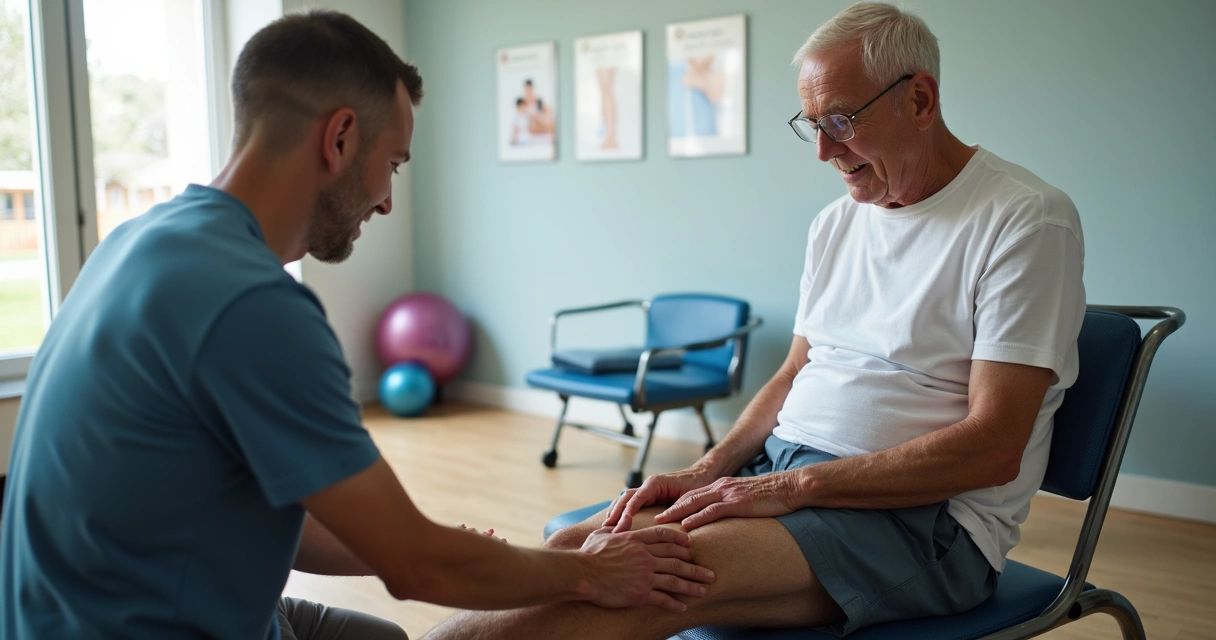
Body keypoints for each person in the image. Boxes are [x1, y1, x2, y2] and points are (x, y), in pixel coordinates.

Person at [0, 10, 714, 640]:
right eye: (393, 164)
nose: (388, 203)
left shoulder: (141, 241)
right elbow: (416, 566)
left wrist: (418, 544)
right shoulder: (252, 305)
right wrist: (589, 575)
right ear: (340, 137)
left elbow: (290, 518)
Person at [425, 3, 1085, 639]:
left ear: (919, 99)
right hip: (785, 472)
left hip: (921, 524)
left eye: (843, 121)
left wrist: (790, 488)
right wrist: (708, 471)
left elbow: (995, 447)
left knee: (646, 583)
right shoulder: (835, 226)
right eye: (811, 124)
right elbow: (797, 369)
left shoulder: (1023, 218)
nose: (824, 151)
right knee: (574, 549)